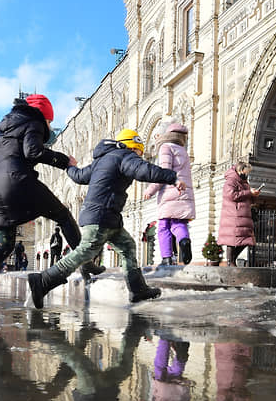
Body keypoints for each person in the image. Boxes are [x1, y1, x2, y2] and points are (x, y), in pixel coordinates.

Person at [0, 94, 104, 303]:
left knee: (4, 245)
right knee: (63, 215)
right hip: (19, 181)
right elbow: (32, 151)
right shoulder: (33, 121)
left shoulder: (1, 131)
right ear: (43, 114)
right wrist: (65, 161)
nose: (49, 126)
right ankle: (86, 263)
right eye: (50, 121)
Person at [27, 129, 185, 308]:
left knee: (128, 246)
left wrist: (70, 166)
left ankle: (138, 289)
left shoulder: (102, 160)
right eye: (139, 152)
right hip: (101, 215)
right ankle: (43, 280)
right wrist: (172, 177)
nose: (140, 156)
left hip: (106, 216)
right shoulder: (125, 155)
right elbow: (144, 170)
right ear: (133, 146)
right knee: (85, 251)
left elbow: (79, 176)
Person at [143, 122, 196, 266]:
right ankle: (184, 240)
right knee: (178, 224)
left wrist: (150, 190)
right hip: (184, 192)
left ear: (164, 134)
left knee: (163, 227)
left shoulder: (165, 148)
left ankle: (166, 258)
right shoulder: (182, 149)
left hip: (169, 193)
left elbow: (164, 173)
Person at [218, 161, 260, 266]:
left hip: (244, 215)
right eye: (246, 172)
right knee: (232, 240)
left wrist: (254, 195)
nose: (247, 174)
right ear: (241, 170)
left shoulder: (244, 182)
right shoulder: (231, 181)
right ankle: (230, 261)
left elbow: (247, 198)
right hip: (233, 215)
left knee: (247, 239)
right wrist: (249, 192)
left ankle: (232, 260)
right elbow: (231, 195)